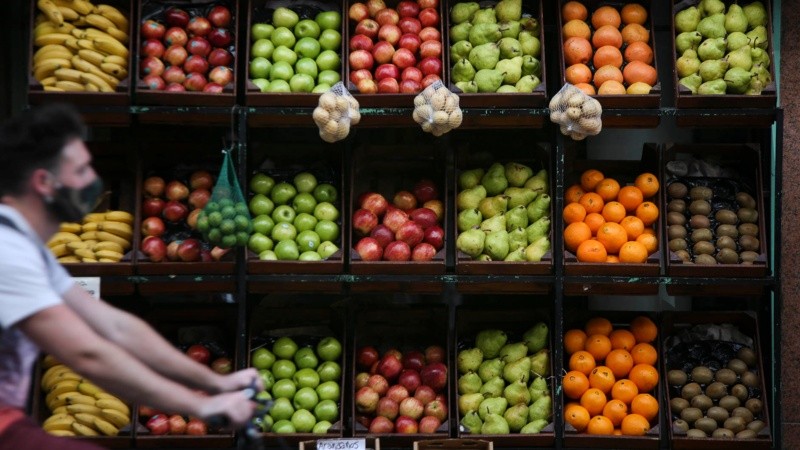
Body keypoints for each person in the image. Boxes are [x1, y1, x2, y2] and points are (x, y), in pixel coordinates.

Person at [0, 104, 262, 449]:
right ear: (44, 183)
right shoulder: (9, 252)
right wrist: (201, 404)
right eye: (80, 171)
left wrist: (215, 383)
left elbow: (116, 326)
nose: (92, 181)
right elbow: (88, 353)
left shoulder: (26, 246)